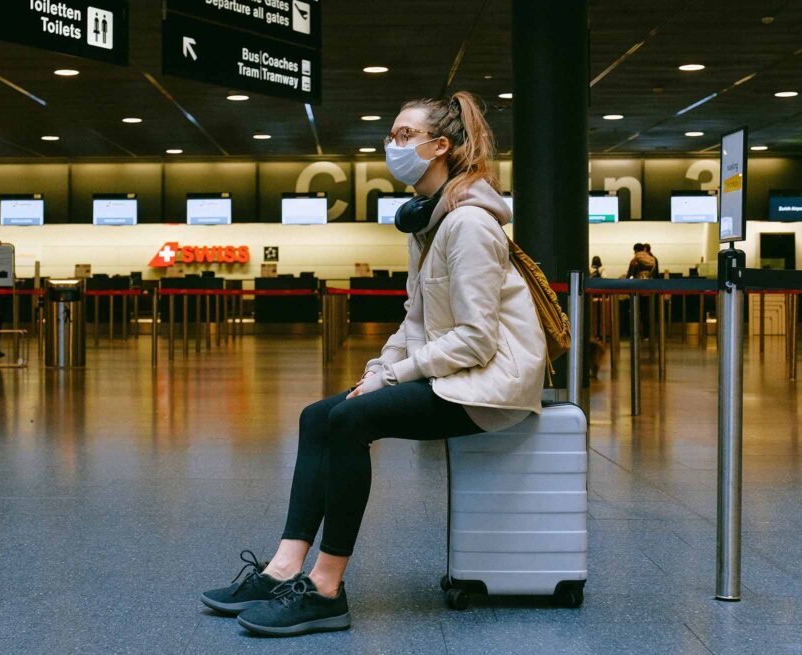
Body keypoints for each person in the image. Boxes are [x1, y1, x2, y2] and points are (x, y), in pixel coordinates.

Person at [201, 92, 547, 637]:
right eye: (391, 134)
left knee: (351, 420)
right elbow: (416, 319)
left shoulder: (470, 225)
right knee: (319, 415)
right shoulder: (429, 224)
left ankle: (325, 589)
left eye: (404, 135)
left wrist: (394, 377)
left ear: (441, 147)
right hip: (452, 374)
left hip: (489, 387)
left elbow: (478, 340)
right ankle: (282, 568)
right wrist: (377, 370)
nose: (392, 145)